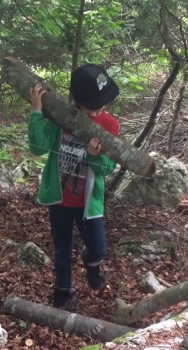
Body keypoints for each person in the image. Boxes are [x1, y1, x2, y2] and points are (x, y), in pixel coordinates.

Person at [27, 63, 119, 310]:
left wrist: (94, 156)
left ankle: (92, 263)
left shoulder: (109, 125)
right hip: (59, 200)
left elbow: (108, 167)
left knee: (98, 248)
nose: (97, 111)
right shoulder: (61, 118)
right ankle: (62, 291)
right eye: (92, 106)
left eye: (101, 104)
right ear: (78, 102)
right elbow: (37, 147)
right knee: (62, 248)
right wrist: (36, 112)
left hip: (89, 202)